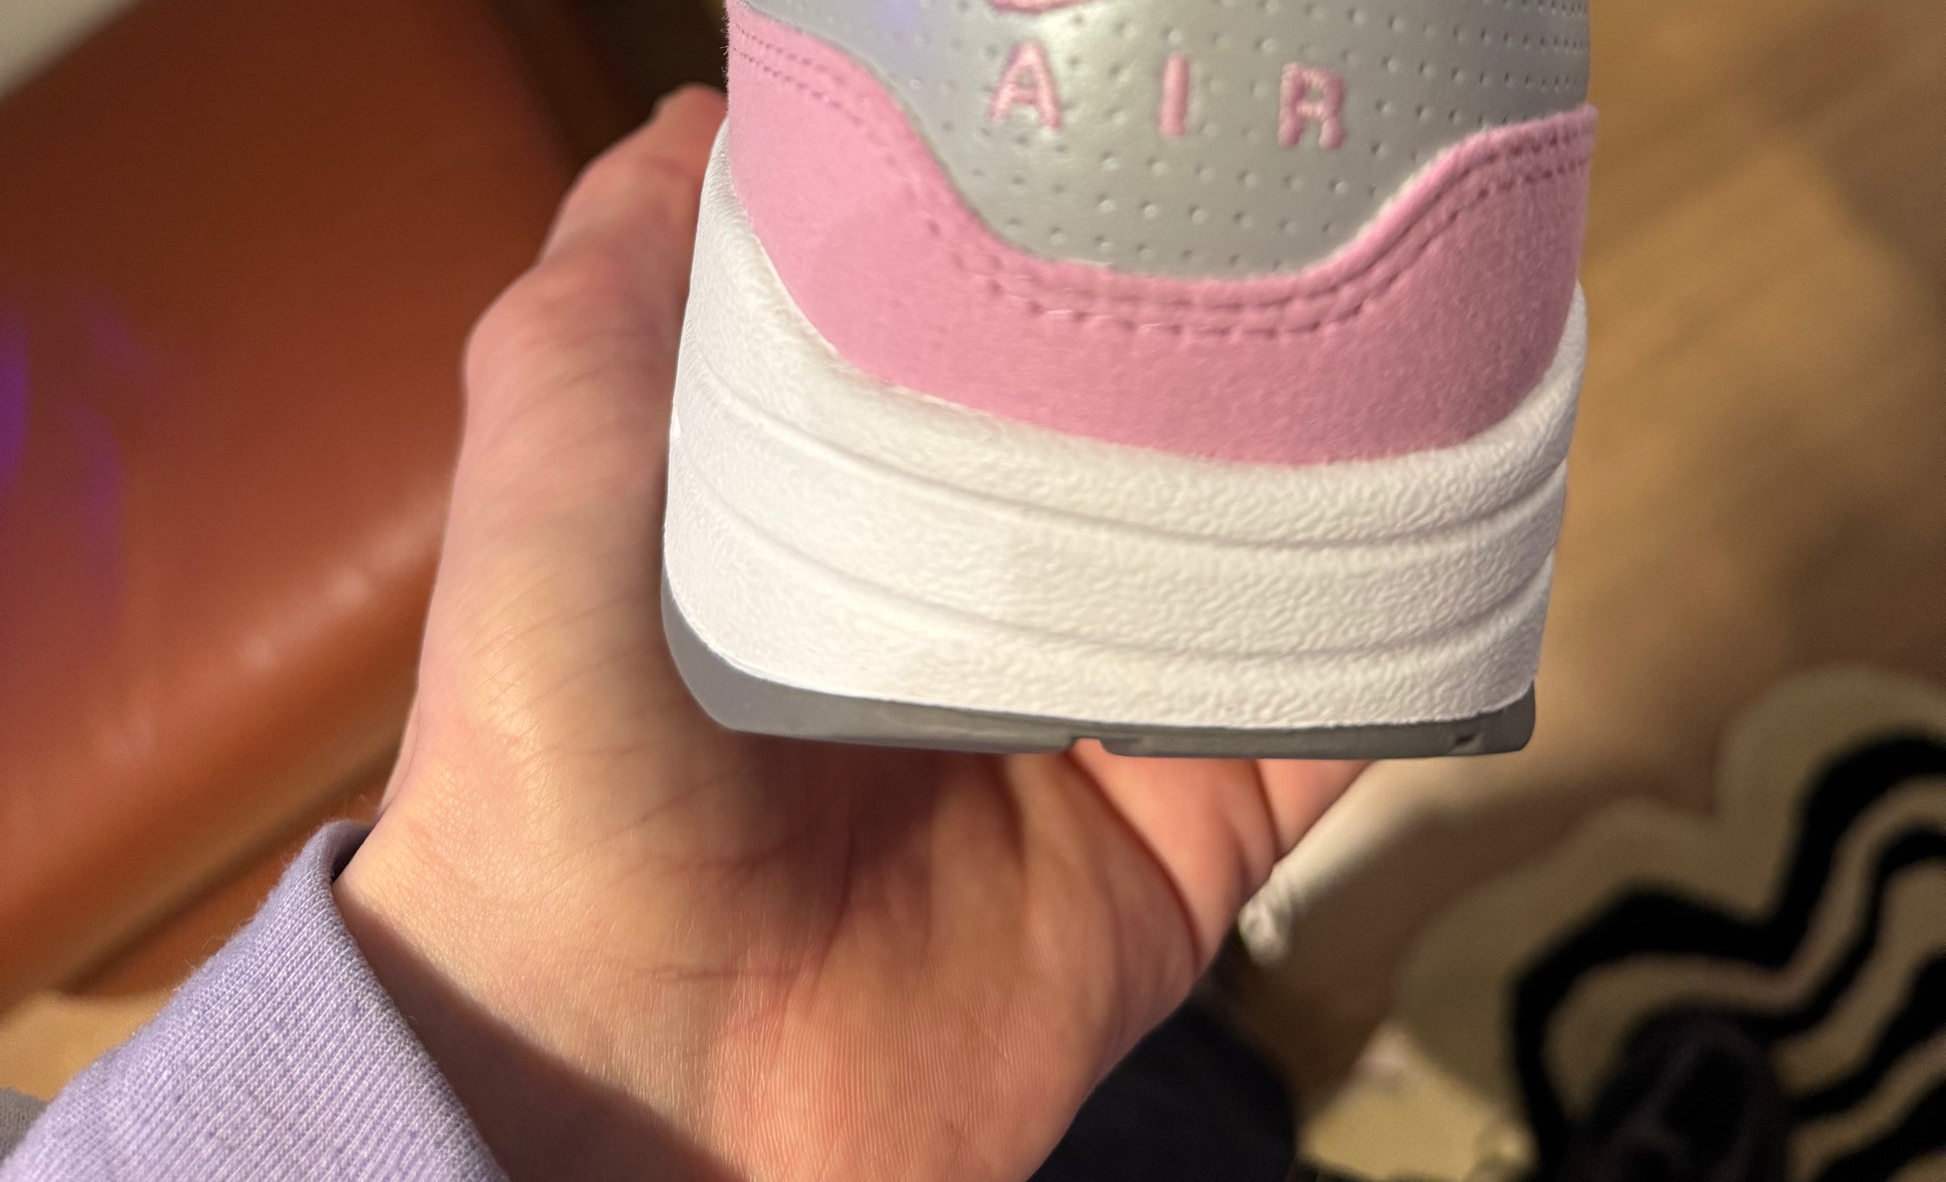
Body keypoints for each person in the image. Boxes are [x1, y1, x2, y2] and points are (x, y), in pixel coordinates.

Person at [0, 87, 1361, 1177]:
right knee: (1171, 1101)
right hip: (958, 978)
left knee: (1166, 1101)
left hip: (955, 984)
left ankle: (1208, 1042)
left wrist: (552, 1052)